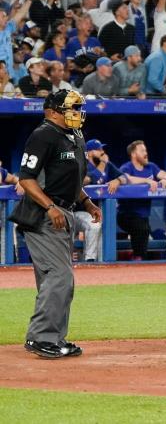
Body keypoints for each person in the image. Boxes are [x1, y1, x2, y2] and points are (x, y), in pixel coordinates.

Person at [13, 91, 98, 359]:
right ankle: (41, 337)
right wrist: (50, 207)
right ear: (51, 111)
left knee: (58, 280)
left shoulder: (75, 136)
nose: (76, 113)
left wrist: (86, 202)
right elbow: (26, 179)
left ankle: (55, 338)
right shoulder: (43, 135)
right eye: (70, 108)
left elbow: (72, 180)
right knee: (59, 277)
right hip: (43, 216)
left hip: (66, 210)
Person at [117, 141, 166, 261]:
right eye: (142, 151)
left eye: (146, 151)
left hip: (143, 215)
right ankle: (138, 258)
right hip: (125, 214)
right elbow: (126, 179)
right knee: (142, 228)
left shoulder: (151, 167)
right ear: (133, 154)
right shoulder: (127, 167)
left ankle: (138, 258)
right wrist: (146, 181)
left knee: (143, 228)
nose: (146, 153)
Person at [78, 139, 126, 262]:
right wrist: (102, 165)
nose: (102, 152)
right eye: (98, 150)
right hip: (79, 210)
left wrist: (118, 180)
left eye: (102, 149)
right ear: (89, 153)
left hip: (100, 211)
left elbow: (124, 177)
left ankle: (100, 265)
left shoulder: (108, 165)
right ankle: (90, 260)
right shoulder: (82, 164)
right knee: (94, 226)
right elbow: (86, 180)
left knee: (101, 231)